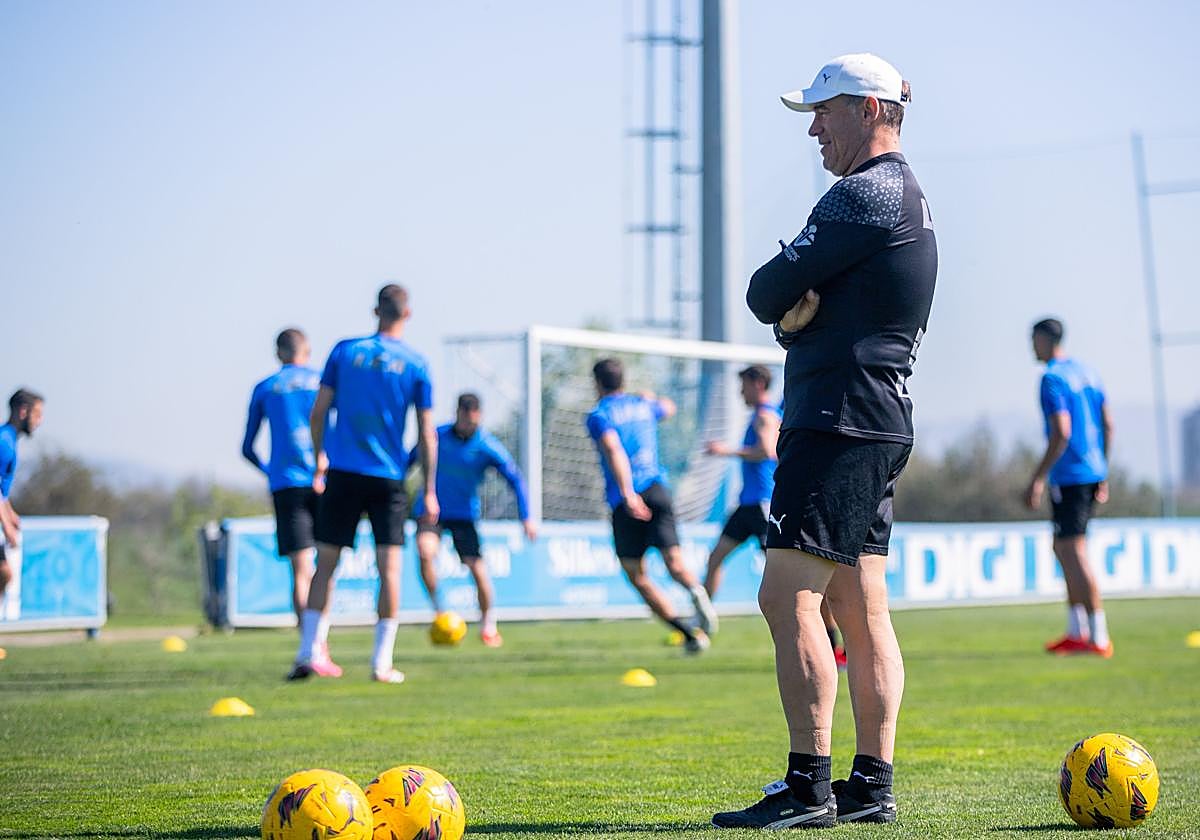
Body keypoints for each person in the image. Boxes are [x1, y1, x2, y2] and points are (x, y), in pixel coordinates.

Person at [713, 53, 936, 828]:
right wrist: (793, 318)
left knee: (786, 596)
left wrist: (787, 315)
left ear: (871, 109)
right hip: (875, 418)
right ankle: (870, 785)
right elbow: (792, 309)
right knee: (860, 604)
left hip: (837, 420)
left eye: (824, 111)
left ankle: (808, 786)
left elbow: (765, 292)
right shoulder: (903, 196)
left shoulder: (863, 194)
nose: (813, 128)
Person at [287, 284, 438, 685]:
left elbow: (318, 413)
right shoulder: (416, 364)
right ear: (408, 313)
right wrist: (430, 489)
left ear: (376, 311)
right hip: (388, 477)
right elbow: (427, 432)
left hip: (343, 473)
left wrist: (320, 459)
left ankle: (308, 651)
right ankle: (381, 663)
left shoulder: (343, 352)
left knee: (326, 565)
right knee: (389, 568)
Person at [585, 358, 717, 654]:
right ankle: (699, 595)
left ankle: (689, 634)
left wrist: (628, 493)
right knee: (675, 563)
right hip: (658, 489)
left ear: (596, 383)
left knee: (637, 575)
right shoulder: (643, 405)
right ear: (623, 380)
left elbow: (613, 448)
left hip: (628, 497)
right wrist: (651, 398)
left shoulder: (599, 414)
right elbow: (669, 408)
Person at [242, 328, 341, 675]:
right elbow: (342, 425)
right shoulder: (322, 381)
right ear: (307, 351)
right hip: (325, 479)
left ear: (278, 353)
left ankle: (309, 649)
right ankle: (320, 649)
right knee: (325, 566)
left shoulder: (266, 387)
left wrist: (271, 471)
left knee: (301, 570)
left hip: (285, 484)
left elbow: (247, 448)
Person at [409, 392, 537, 647]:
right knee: (425, 552)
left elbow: (516, 480)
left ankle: (488, 626)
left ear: (479, 417)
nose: (469, 424)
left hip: (464, 515)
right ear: (457, 414)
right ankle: (440, 612)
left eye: (474, 420)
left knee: (477, 569)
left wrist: (527, 517)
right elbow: (406, 461)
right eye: (465, 418)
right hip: (432, 510)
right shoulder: (436, 437)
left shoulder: (487, 445)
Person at [1025, 318, 1113, 658]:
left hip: (1070, 474)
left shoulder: (1052, 378)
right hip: (1090, 472)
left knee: (1073, 551)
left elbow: (1061, 431)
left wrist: (1038, 477)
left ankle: (1099, 636)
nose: (1032, 347)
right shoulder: (1089, 373)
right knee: (1063, 548)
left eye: (1034, 340)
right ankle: (1078, 631)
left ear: (1047, 340)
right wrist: (1103, 469)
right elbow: (1108, 423)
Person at [0, 390, 45, 633]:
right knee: (4, 573)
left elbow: (1, 491)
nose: (39, 421)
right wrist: (6, 526)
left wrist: (10, 513)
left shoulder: (9, 439)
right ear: (23, 411)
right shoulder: (4, 441)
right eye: (37, 414)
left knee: (5, 574)